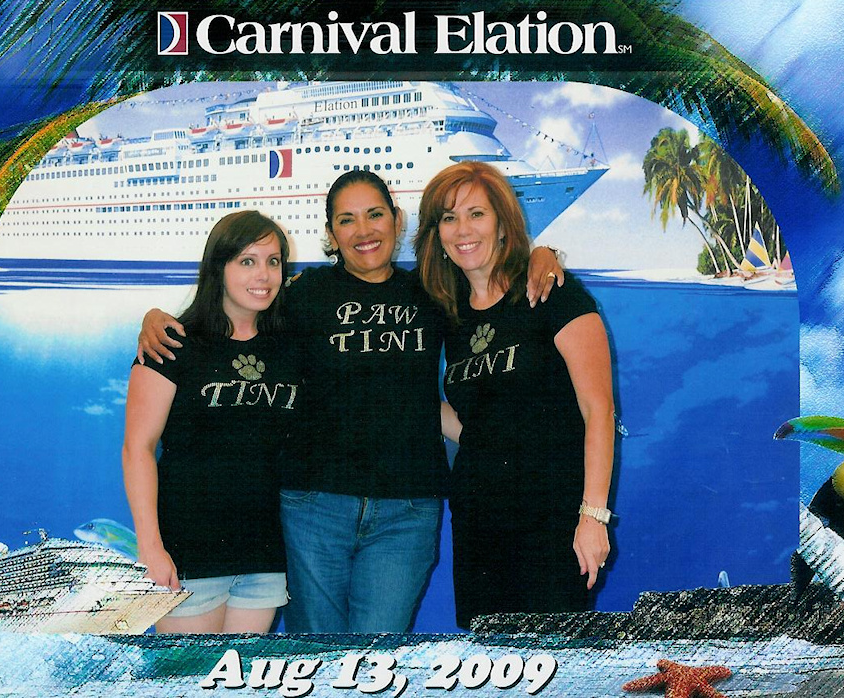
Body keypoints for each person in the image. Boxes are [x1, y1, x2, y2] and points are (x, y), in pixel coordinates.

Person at [138, 170, 565, 633]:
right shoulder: (299, 296)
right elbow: (231, 311)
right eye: (347, 220)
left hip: (407, 511)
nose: (364, 230)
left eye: (375, 214)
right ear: (331, 234)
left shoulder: (435, 292)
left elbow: (495, 286)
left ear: (397, 220)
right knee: (314, 655)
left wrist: (543, 255)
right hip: (313, 507)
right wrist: (156, 317)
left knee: (375, 656)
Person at [414, 161, 615, 629]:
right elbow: (477, 427)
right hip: (478, 520)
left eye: (476, 214)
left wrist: (593, 517)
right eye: (448, 218)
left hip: (552, 519)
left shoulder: (549, 293)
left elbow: (598, 411)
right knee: (494, 669)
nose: (463, 229)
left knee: (551, 664)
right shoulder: (451, 318)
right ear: (437, 235)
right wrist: (408, 399)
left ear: (504, 224)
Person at [122, 211, 298, 634]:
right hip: (188, 554)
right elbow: (137, 448)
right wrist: (150, 548)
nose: (263, 274)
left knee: (239, 681)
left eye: (273, 261)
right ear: (218, 267)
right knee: (186, 682)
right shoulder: (172, 343)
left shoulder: (290, 347)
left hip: (263, 556)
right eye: (247, 261)